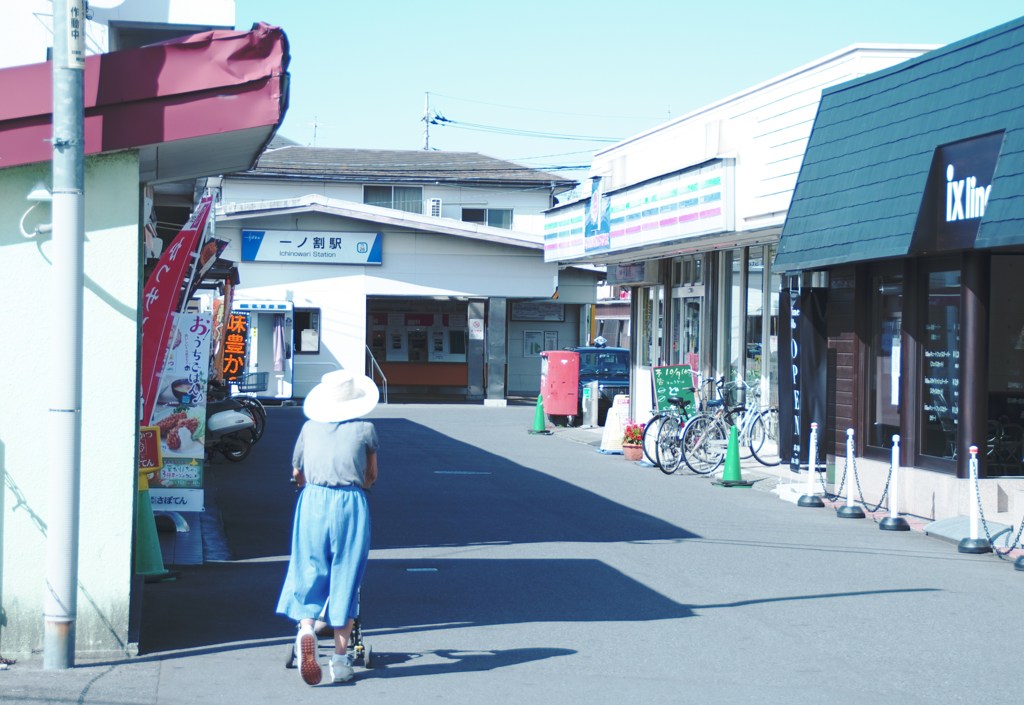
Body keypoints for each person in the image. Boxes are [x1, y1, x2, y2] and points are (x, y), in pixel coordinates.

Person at [276, 369, 380, 685]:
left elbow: (297, 472)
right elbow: (371, 475)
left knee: (309, 566)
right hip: (350, 501)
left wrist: (309, 483)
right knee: (346, 574)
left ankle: (306, 627)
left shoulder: (309, 428)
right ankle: (340, 660)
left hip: (312, 501)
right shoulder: (365, 429)